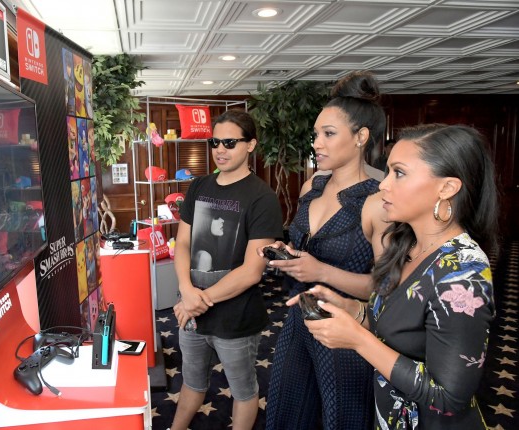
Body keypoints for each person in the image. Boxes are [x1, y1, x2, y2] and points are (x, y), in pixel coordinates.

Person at [299, 123, 498, 429]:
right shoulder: (406, 244)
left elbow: (449, 398)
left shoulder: (463, 271)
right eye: (388, 171)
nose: (384, 185)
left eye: (399, 173)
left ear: (446, 188)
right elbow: (397, 326)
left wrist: (358, 340)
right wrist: (352, 309)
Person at [262, 71, 390, 429]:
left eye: (329, 134)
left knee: (342, 420)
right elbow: (303, 248)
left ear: (361, 137)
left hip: (346, 331)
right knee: (286, 414)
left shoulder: (378, 202)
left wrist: (320, 271)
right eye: (316, 134)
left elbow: (386, 290)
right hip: (299, 318)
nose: (317, 143)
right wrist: (286, 254)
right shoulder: (312, 187)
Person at [170, 109, 284, 430]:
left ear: (251, 145)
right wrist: (187, 292)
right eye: (215, 142)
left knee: (243, 390)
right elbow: (182, 244)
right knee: (191, 381)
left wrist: (195, 300)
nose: (220, 149)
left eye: (230, 143)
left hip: (236, 318)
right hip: (191, 310)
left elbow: (252, 271)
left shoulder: (262, 198)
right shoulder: (199, 186)